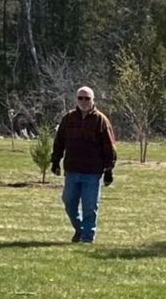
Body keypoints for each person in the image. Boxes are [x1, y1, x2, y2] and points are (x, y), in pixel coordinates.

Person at [50, 86, 117, 243]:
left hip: (92, 172)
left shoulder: (101, 120)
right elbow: (59, 141)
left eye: (87, 98)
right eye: (80, 98)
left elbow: (109, 146)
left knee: (90, 206)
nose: (83, 101)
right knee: (69, 203)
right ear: (76, 100)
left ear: (93, 100)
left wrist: (109, 169)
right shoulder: (68, 119)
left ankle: (87, 237)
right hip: (72, 170)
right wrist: (55, 160)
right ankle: (80, 229)